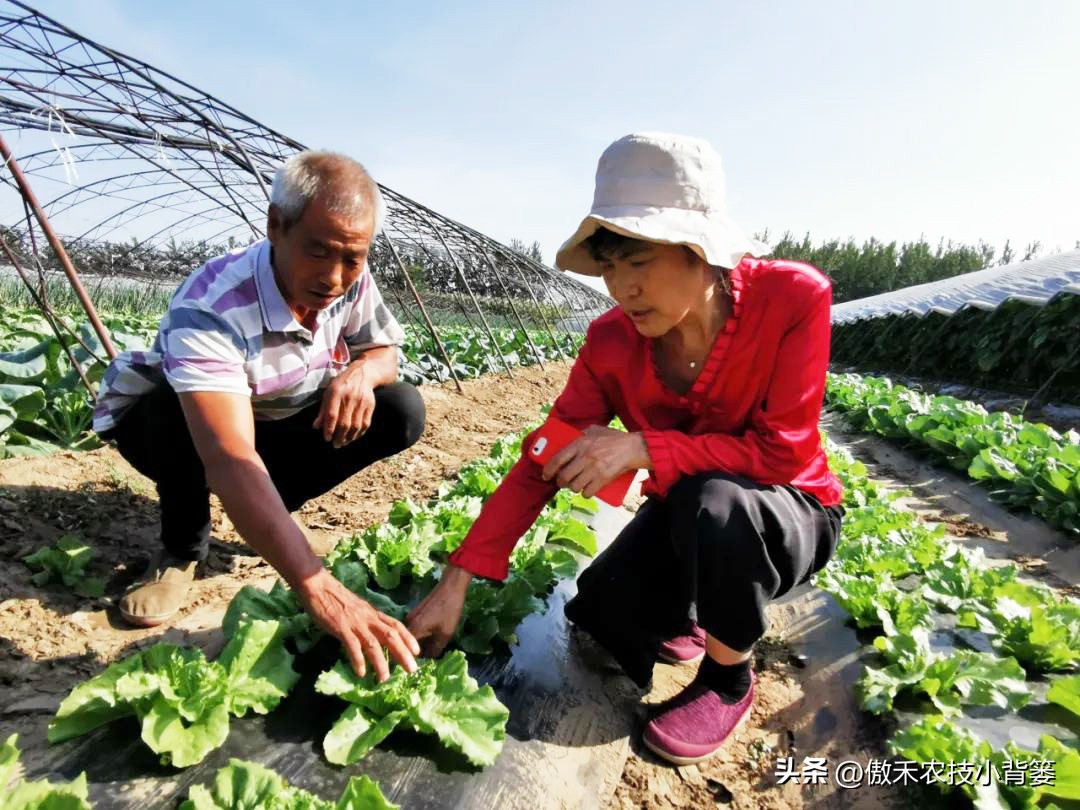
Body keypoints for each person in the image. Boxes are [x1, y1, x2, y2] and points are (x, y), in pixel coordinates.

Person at [407, 132, 844, 764]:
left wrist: (642, 446)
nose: (621, 288)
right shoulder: (611, 341)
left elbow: (780, 453)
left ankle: (728, 678)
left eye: (638, 263)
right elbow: (547, 457)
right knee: (600, 614)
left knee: (716, 503)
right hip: (682, 513)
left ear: (702, 251)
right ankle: (698, 608)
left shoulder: (792, 298)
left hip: (784, 509)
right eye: (610, 267)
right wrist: (459, 577)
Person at [94, 151, 424, 682]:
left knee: (400, 409)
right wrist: (316, 585)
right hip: (182, 430)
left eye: (352, 258)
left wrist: (360, 375)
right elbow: (229, 455)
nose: (335, 277)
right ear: (276, 225)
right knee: (173, 412)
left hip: (277, 418)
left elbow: (384, 350)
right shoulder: (212, 305)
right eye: (318, 251)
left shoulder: (351, 280)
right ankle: (180, 549)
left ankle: (269, 519)